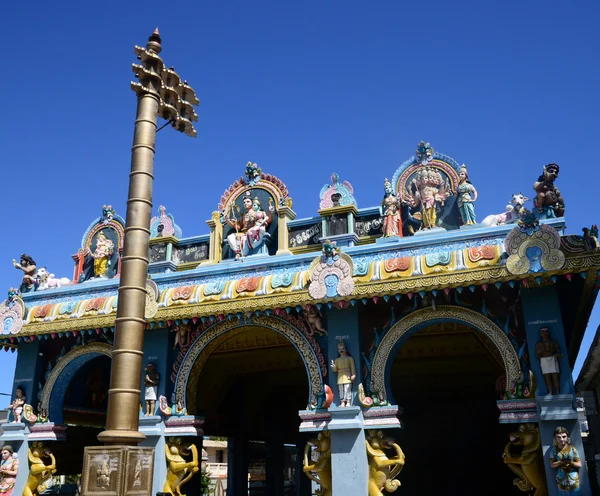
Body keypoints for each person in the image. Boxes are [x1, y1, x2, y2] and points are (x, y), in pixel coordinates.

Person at [225, 191, 274, 260]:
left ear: (252, 203)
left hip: (252, 234)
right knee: (230, 237)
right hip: (243, 233)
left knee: (245, 238)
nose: (245, 203)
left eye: (248, 202)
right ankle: (238, 252)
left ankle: (243, 253)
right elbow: (238, 227)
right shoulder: (244, 216)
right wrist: (228, 220)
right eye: (244, 202)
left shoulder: (257, 213)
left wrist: (271, 213)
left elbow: (268, 220)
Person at [550, 427, 582, 494]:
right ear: (555, 438)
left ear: (567, 437)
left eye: (564, 436)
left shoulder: (573, 449)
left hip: (573, 479)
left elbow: (579, 464)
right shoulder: (554, 450)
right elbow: (552, 465)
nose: (561, 439)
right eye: (558, 437)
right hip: (561, 479)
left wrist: (570, 462)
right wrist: (560, 462)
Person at [535, 327, 561, 395]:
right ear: (540, 334)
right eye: (543, 332)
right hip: (544, 360)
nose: (545, 333)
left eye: (546, 331)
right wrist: (539, 352)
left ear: (548, 333)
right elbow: (537, 354)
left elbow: (559, 353)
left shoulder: (553, 342)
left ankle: (557, 391)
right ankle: (550, 392)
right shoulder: (539, 344)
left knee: (555, 377)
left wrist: (557, 355)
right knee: (547, 377)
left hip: (553, 359)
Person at [330, 341, 356, 407]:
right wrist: (333, 366)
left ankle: (348, 402)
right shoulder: (337, 360)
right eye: (340, 349)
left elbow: (352, 367)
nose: (341, 350)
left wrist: (353, 374)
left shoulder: (350, 358)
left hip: (347, 375)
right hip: (340, 376)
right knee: (341, 390)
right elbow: (335, 370)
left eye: (343, 349)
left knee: (348, 389)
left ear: (346, 349)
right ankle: (342, 402)